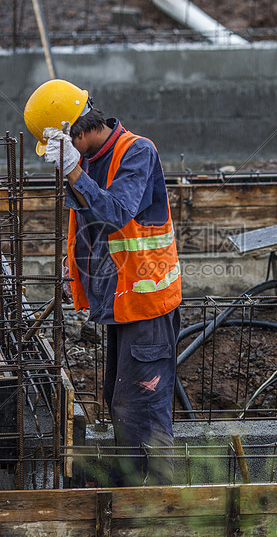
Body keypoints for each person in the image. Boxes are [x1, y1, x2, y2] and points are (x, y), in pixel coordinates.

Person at [24, 80, 182, 486]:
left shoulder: (137, 152)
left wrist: (74, 170)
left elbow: (114, 214)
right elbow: (91, 227)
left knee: (141, 405)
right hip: (121, 303)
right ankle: (128, 486)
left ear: (75, 132)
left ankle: (155, 500)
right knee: (120, 399)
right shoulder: (93, 159)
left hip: (146, 305)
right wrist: (71, 267)